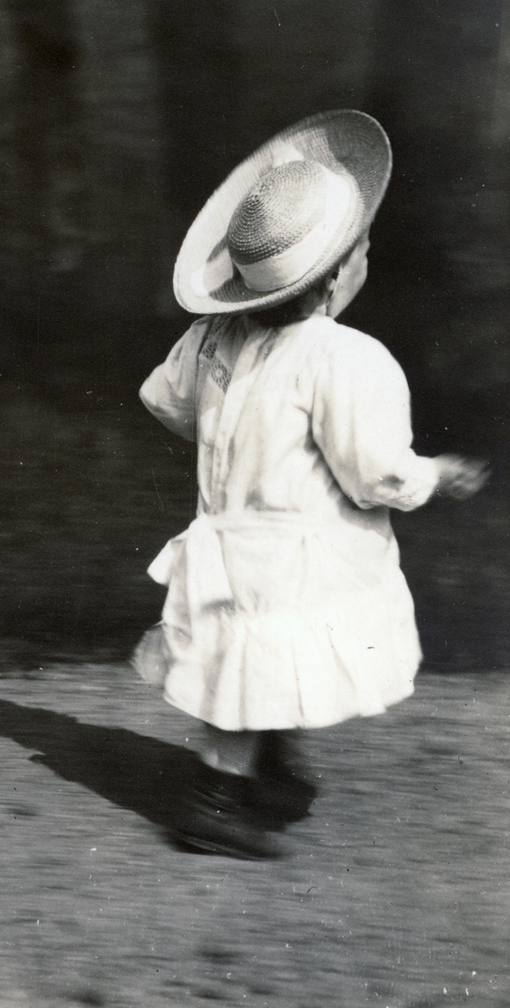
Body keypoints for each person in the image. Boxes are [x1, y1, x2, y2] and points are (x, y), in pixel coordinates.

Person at [133, 110, 488, 859]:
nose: (366, 255)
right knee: (260, 662)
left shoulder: (211, 337)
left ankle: (269, 762)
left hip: (227, 537)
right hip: (297, 555)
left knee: (255, 656)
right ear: (334, 276)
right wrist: (432, 477)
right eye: (359, 247)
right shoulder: (345, 361)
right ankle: (213, 802)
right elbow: (374, 472)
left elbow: (166, 400)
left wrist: (232, 439)